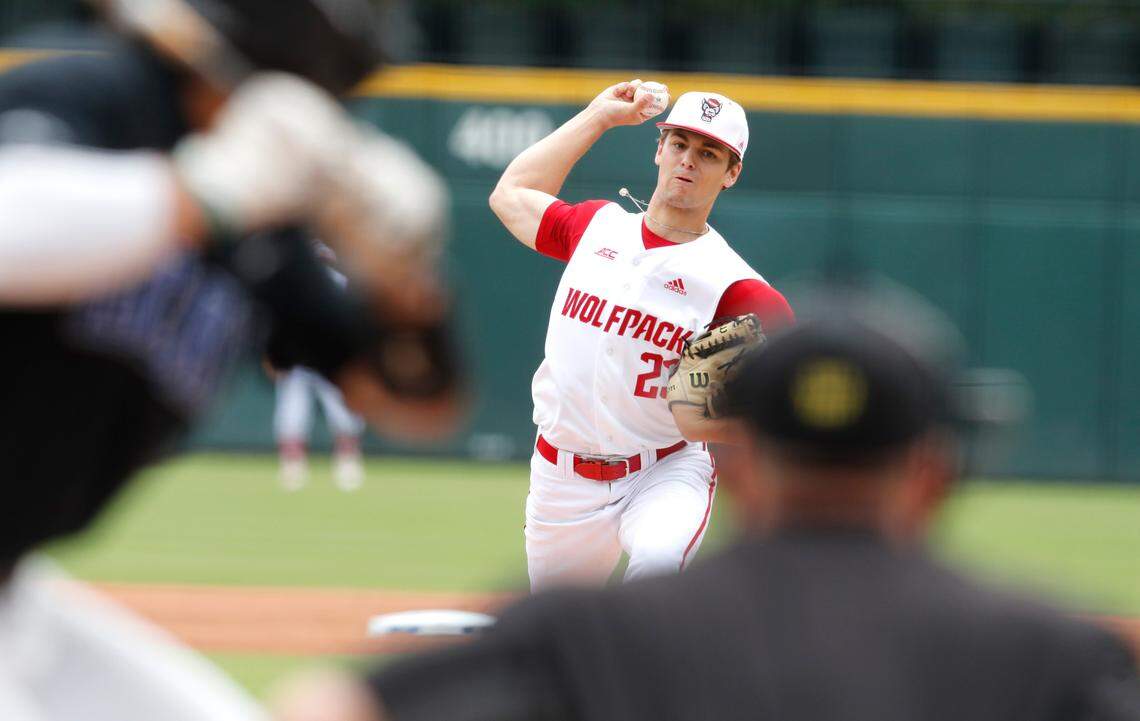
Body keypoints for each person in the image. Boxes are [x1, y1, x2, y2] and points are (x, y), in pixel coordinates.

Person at [272, 284, 1140, 721]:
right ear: (932, 476)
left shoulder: (590, 635)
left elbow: (327, 706)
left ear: (746, 465)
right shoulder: (1050, 653)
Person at [0, 1, 462, 718]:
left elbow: (411, 401)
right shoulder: (100, 92)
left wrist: (409, 299)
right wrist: (206, 195)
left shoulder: (263, 222)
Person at [487, 80, 794, 590]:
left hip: (663, 471)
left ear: (731, 172)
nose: (688, 161)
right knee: (562, 636)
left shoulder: (736, 289)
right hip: (560, 477)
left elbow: (785, 398)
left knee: (654, 572)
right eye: (679, 144)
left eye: (709, 152)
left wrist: (723, 421)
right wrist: (598, 116)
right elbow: (511, 195)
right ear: (659, 149)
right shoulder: (596, 229)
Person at [274, 242, 367, 491]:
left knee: (344, 410)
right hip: (299, 357)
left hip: (331, 356)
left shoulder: (340, 282)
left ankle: (348, 462)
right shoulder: (291, 285)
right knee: (292, 410)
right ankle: (292, 465)